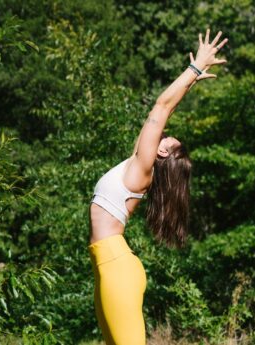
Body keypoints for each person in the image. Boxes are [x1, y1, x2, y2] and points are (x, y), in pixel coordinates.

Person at [88, 29, 228, 345]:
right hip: (107, 269)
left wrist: (194, 68)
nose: (163, 135)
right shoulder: (137, 165)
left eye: (168, 138)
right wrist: (191, 83)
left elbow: (162, 106)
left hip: (118, 271)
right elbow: (167, 109)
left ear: (162, 152)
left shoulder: (141, 170)